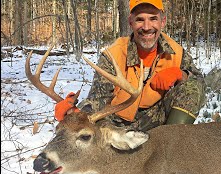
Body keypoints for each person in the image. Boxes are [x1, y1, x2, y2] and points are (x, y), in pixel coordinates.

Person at [54, 0, 206, 131]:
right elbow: (98, 97)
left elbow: (200, 83)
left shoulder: (176, 52)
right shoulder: (113, 55)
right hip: (117, 123)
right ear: (131, 22)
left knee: (192, 88)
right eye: (140, 19)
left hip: (158, 120)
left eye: (153, 19)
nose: (147, 27)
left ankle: (169, 147)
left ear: (163, 22)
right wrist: (78, 113)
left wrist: (180, 74)